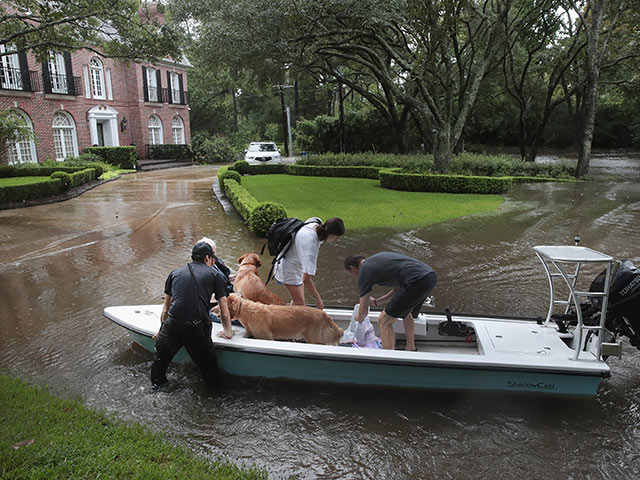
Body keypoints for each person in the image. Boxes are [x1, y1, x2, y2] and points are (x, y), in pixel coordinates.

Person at [150, 241, 234, 388]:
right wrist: (228, 333)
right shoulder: (215, 274)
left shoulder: (175, 273)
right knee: (211, 374)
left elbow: (165, 309)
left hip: (173, 325)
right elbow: (224, 312)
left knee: (159, 366)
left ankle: (158, 389)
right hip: (197, 328)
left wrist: (161, 330)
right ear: (208, 258)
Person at [344, 252, 436, 351]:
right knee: (405, 311)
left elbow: (363, 312)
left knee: (384, 320)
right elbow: (396, 290)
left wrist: (358, 319)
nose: (353, 277)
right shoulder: (377, 261)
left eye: (350, 274)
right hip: (429, 276)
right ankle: (410, 347)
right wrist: (377, 302)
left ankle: (388, 357)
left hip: (416, 281)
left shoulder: (364, 272)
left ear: (352, 268)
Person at [274, 217, 345, 310]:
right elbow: (306, 278)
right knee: (300, 306)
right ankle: (284, 322)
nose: (337, 239)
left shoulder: (316, 223)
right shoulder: (310, 246)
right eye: (337, 237)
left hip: (295, 265)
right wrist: (318, 299)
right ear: (331, 234)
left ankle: (289, 319)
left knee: (296, 302)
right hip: (288, 269)